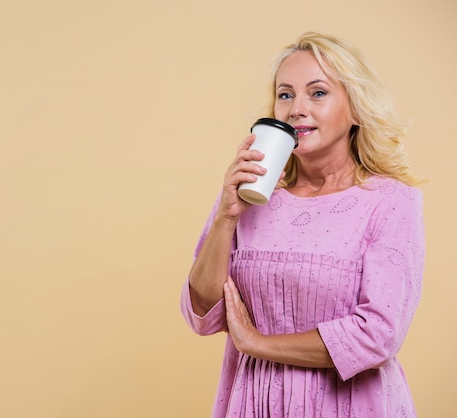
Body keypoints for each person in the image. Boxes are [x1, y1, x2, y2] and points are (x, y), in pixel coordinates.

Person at [180, 32, 425, 417]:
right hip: (254, 402)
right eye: (285, 94)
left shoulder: (391, 202)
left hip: (350, 405)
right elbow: (202, 311)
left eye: (318, 93)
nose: (297, 109)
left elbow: (378, 336)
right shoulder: (250, 196)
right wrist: (227, 215)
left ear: (356, 109)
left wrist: (257, 343)